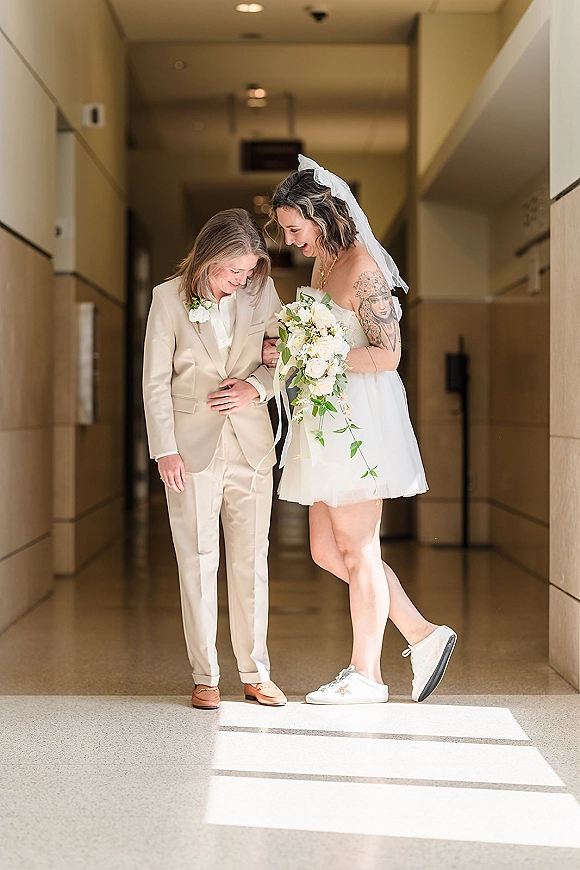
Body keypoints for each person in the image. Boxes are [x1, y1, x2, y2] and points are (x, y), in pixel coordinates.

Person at [263, 156, 456, 705]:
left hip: (359, 418)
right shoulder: (323, 265)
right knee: (327, 549)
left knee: (359, 545)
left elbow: (389, 355)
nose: (292, 241)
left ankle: (366, 674)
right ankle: (421, 633)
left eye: (295, 229)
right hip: (324, 414)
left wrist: (324, 353)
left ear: (320, 215)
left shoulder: (364, 269)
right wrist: (296, 348)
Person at [143, 208, 286, 710]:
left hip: (250, 446)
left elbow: (285, 362)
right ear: (208, 258)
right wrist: (165, 450)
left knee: (252, 561)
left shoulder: (262, 294)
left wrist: (255, 386)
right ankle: (205, 675)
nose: (239, 281)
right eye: (232, 272)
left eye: (247, 273)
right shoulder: (167, 299)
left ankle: (256, 671)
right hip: (189, 450)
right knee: (197, 561)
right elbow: (155, 382)